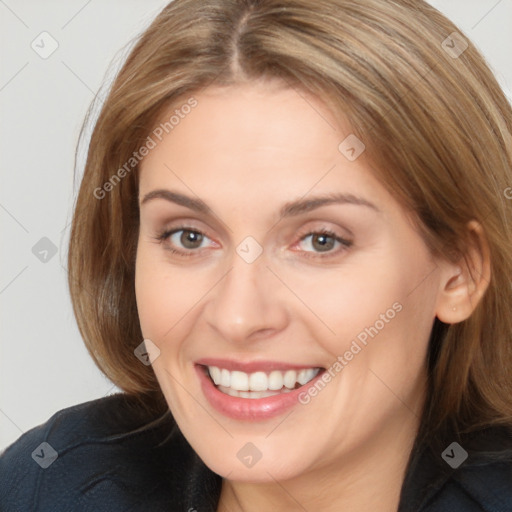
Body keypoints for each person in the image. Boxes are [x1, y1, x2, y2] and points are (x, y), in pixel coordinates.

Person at [1, 0, 512, 510]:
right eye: (189, 236)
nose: (238, 316)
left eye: (321, 240)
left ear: (461, 270)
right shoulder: (46, 487)